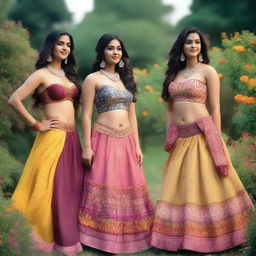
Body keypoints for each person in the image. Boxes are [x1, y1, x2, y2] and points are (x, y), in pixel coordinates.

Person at [151, 26, 254, 253]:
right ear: (182, 45)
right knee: (182, 187)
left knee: (212, 185)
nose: (193, 45)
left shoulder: (207, 71)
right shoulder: (174, 74)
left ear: (201, 46)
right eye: (189, 42)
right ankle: (183, 238)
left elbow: (215, 108)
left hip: (201, 135)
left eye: (197, 42)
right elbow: (170, 106)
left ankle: (228, 234)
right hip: (181, 138)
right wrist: (172, 132)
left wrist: (215, 138)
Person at [8, 30, 84, 255]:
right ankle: (41, 238)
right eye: (60, 43)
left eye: (68, 45)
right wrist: (36, 124)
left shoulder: (69, 78)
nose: (64, 48)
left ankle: (67, 238)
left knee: (70, 188)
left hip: (72, 138)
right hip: (52, 137)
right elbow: (14, 99)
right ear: (51, 47)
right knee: (48, 187)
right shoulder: (41, 75)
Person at [79, 33, 154, 254]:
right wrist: (87, 146)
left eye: (119, 48)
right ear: (102, 52)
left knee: (127, 186)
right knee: (105, 185)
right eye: (110, 48)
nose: (115, 52)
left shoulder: (128, 79)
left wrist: (137, 146)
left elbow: (133, 115)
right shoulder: (93, 79)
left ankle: (131, 236)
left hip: (127, 140)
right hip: (103, 138)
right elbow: (85, 116)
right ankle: (100, 238)